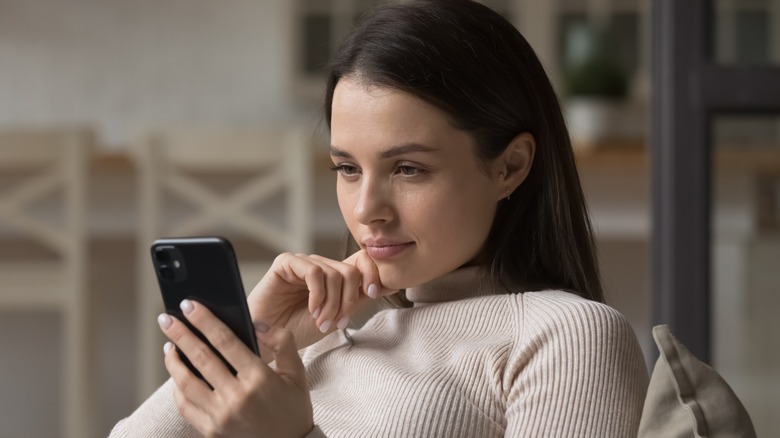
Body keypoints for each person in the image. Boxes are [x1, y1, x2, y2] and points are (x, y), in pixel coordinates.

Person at [110, 0, 648, 436]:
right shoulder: (326, 342)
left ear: (510, 166)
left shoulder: (567, 335)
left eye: (408, 168)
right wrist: (249, 339)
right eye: (347, 168)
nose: (366, 209)